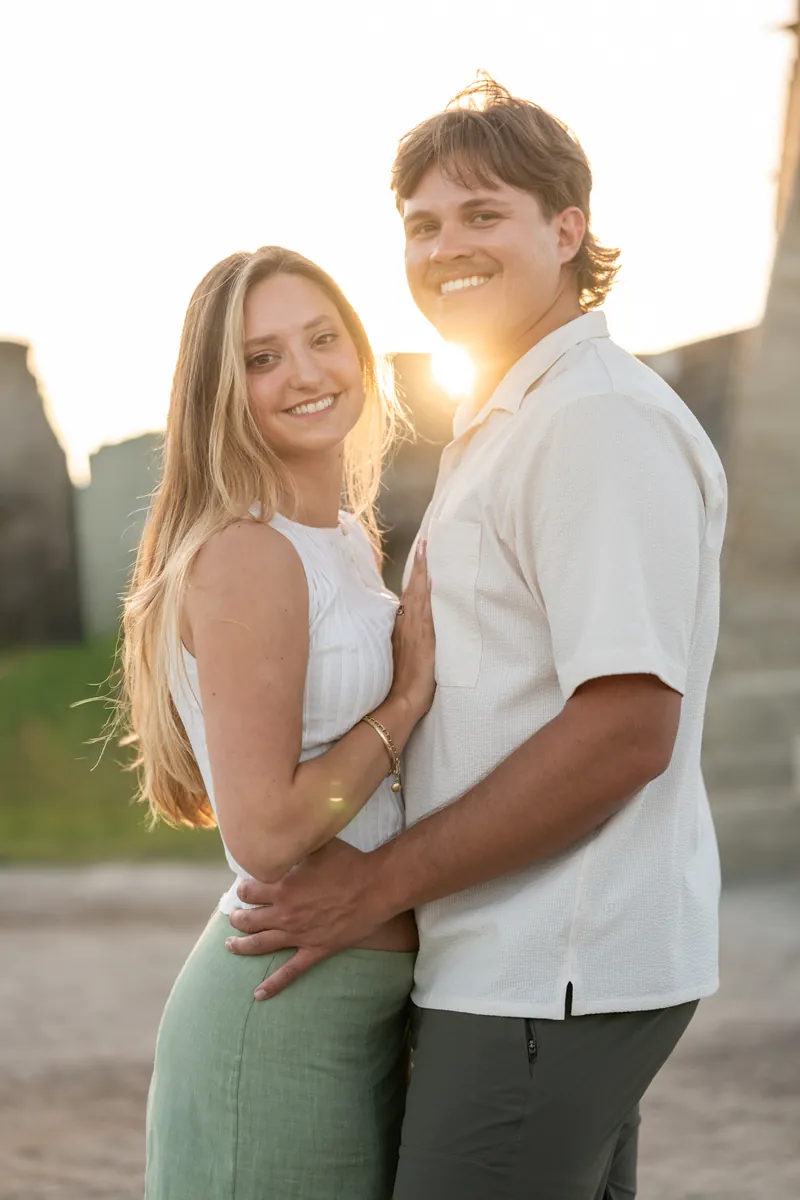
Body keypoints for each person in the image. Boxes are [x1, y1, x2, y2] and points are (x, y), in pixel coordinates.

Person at [227, 78, 728, 1199]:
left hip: (548, 965)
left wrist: (376, 886)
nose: (446, 246)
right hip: (516, 962)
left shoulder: (592, 420)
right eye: (422, 224)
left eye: (482, 212)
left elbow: (626, 728)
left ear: (567, 229)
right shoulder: (513, 418)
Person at [120, 245, 435, 1199]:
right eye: (262, 358)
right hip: (280, 1020)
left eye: (322, 339)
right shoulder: (248, 554)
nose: (304, 373)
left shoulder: (344, 541)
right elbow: (263, 834)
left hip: (358, 1004)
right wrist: (404, 703)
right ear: (220, 392)